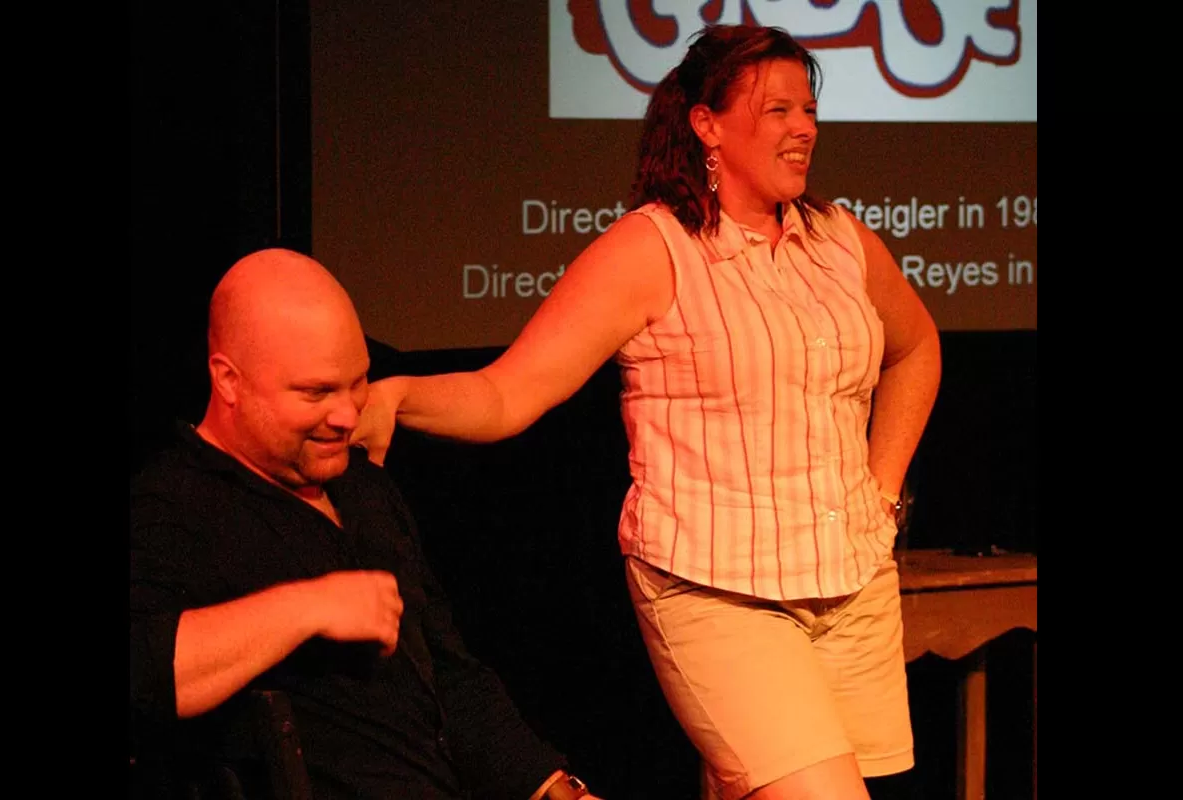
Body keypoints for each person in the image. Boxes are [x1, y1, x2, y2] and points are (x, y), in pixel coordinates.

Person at [351, 23, 941, 800]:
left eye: (809, 110)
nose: (805, 128)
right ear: (707, 124)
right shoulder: (653, 250)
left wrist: (882, 491)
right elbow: (508, 393)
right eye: (778, 111)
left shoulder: (840, 242)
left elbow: (915, 346)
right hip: (721, 592)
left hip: (853, 587)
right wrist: (400, 395)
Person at [129, 248, 602, 800]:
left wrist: (551, 786)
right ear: (229, 380)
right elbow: (141, 670)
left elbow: (451, 675)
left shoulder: (362, 487)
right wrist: (307, 607)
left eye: (357, 383)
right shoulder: (174, 502)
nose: (348, 415)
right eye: (316, 392)